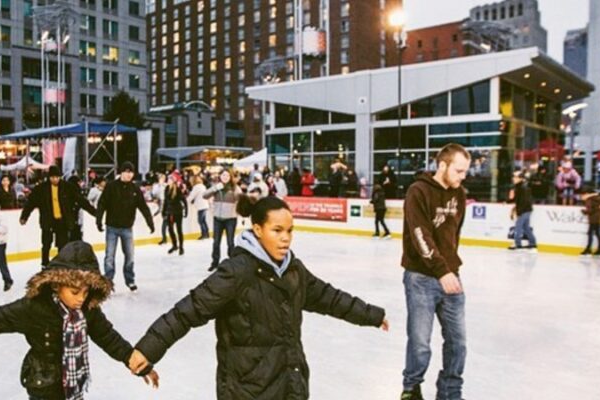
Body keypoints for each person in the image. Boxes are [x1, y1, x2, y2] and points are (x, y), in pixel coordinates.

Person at [129, 196, 389, 399]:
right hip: (247, 389)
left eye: (290, 230)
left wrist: (372, 315)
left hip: (289, 381)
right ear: (257, 229)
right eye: (277, 230)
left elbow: (329, 298)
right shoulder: (237, 271)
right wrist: (148, 348)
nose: (285, 238)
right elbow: (191, 309)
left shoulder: (293, 270)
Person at [0, 241, 160, 400]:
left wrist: (131, 358)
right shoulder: (34, 309)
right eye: (75, 292)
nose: (80, 299)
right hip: (43, 385)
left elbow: (107, 336)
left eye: (86, 292)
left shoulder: (87, 310)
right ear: (57, 284)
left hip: (74, 385)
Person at [400, 143, 471, 400]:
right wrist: (442, 271)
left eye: (465, 172)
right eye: (459, 171)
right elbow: (420, 235)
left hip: (452, 277)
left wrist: (450, 268)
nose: (463, 177)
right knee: (420, 343)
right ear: (443, 165)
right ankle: (411, 389)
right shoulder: (418, 191)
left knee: (458, 343)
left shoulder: (459, 194)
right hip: (421, 278)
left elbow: (454, 235)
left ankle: (451, 392)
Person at [20, 165, 97, 268]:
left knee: (62, 245)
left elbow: (81, 200)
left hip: (63, 222)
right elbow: (31, 203)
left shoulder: (68, 187)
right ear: (49, 177)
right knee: (46, 244)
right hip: (48, 221)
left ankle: (62, 263)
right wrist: (24, 216)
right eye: (52, 177)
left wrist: (94, 212)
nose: (55, 179)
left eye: (57, 177)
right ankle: (45, 263)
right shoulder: (41, 189)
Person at [95, 162, 155, 291]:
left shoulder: (135, 189)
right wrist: (98, 220)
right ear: (121, 172)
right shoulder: (111, 187)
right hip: (112, 227)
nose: (129, 174)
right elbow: (102, 204)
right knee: (109, 256)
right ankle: (108, 281)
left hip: (127, 228)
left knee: (130, 256)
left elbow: (143, 207)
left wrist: (150, 222)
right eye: (126, 172)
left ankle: (130, 280)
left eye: (131, 172)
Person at [203, 169, 242, 272]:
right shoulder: (216, 187)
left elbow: (241, 199)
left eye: (227, 175)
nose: (225, 177)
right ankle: (215, 262)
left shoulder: (235, 188)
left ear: (230, 177)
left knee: (230, 242)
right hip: (218, 219)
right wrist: (215, 188)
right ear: (220, 176)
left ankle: (233, 264)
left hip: (230, 219)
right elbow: (204, 195)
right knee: (216, 242)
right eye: (223, 175)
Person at [508, 171, 537, 250]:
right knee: (526, 227)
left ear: (520, 178)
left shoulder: (522, 188)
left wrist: (519, 211)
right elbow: (516, 200)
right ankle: (532, 242)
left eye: (515, 177)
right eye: (513, 177)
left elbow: (524, 201)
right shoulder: (518, 187)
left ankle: (518, 244)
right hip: (526, 209)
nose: (513, 178)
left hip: (524, 210)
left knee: (518, 226)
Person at [163, 172, 188, 255]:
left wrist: (186, 210)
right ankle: (174, 245)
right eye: (168, 179)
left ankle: (181, 247)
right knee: (170, 229)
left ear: (173, 181)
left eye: (170, 179)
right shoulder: (166, 189)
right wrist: (164, 211)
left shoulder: (177, 189)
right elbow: (165, 201)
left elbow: (184, 200)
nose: (168, 181)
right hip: (170, 212)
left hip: (178, 212)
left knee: (179, 230)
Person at [579, 185, 600, 256]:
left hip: (593, 219)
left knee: (590, 233)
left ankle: (589, 249)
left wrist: (584, 212)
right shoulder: (596, 198)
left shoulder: (589, 199)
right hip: (598, 217)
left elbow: (590, 210)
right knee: (597, 233)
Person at [187, 175, 210, 240]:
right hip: (204, 205)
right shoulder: (202, 186)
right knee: (203, 220)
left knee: (200, 221)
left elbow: (192, 196)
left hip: (201, 206)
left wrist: (186, 201)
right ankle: (206, 233)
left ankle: (204, 234)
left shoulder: (196, 187)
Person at [151, 173, 169, 245]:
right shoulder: (156, 186)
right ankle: (164, 238)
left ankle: (165, 239)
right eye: (160, 178)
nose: (161, 179)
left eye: (162, 178)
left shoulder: (166, 186)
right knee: (165, 223)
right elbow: (154, 194)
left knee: (166, 223)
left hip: (166, 204)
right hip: (162, 203)